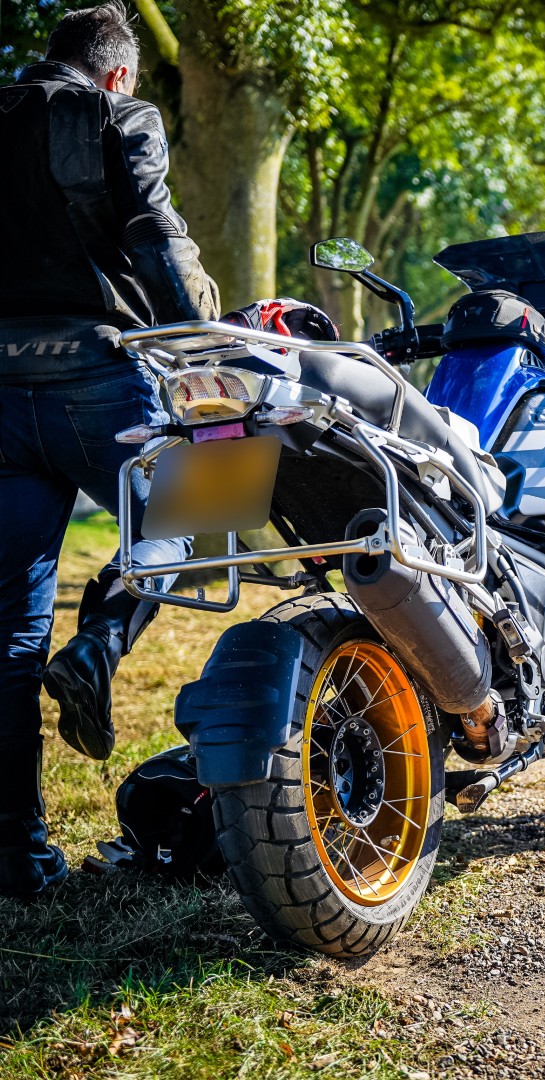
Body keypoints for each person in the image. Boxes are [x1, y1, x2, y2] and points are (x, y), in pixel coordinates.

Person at [0, 4, 218, 898]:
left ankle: (18, 858)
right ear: (118, 71)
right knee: (209, 502)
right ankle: (101, 643)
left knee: (10, 632)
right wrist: (209, 347)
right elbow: (157, 241)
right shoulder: (114, 115)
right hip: (98, 373)